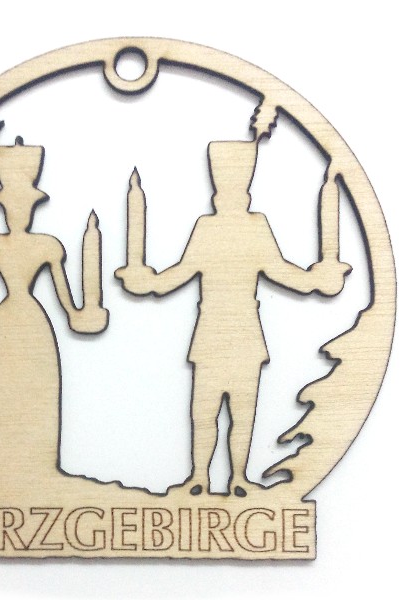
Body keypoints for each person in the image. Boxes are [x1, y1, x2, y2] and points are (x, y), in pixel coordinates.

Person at [116, 135, 350, 497]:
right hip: (215, 333)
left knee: (238, 411)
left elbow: (279, 272)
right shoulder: (209, 228)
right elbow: (181, 275)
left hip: (239, 334)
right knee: (207, 411)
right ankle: (201, 476)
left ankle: (237, 476)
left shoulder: (250, 227)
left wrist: (317, 278)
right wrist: (146, 280)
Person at [0, 136, 107, 488]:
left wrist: (84, 313)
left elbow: (68, 305)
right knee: (2, 396)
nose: (18, 213)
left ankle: (39, 469)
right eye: (13, 206)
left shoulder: (47, 247)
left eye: (24, 206)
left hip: (34, 329)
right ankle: (1, 471)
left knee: (37, 395)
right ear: (3, 208)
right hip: (4, 329)